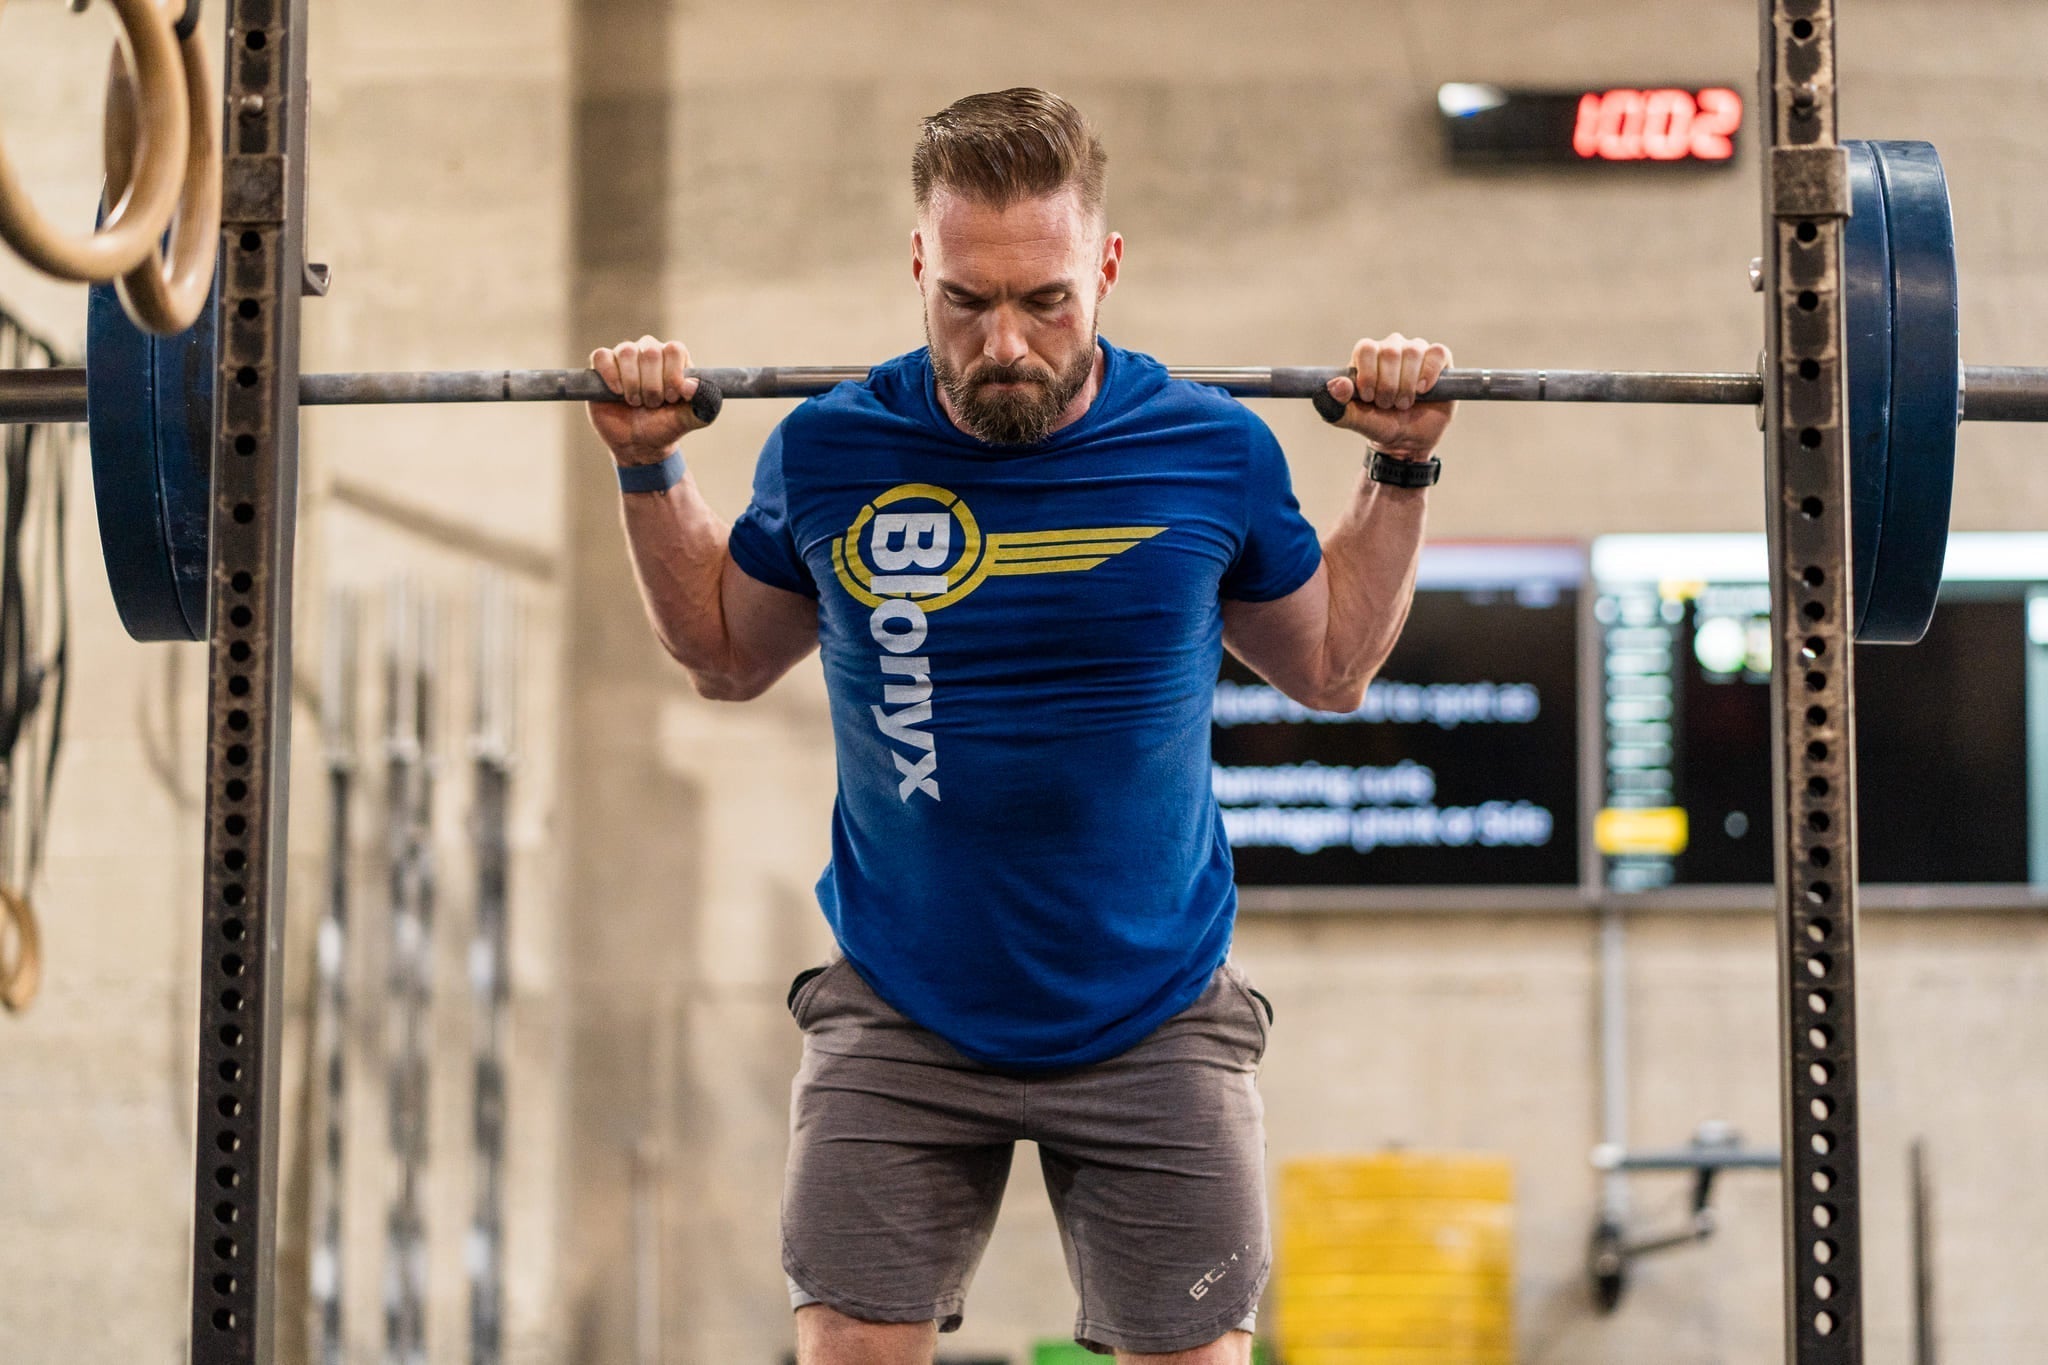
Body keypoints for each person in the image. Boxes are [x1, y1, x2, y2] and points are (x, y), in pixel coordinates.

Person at [585, 87, 1454, 1365]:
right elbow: (722, 657)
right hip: (902, 1002)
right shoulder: (831, 453)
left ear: (1102, 271)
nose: (1004, 343)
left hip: (1153, 1006)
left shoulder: (1209, 452)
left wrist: (1398, 467)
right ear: (918, 270)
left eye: (1042, 300)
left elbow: (1328, 669)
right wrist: (649, 468)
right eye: (966, 301)